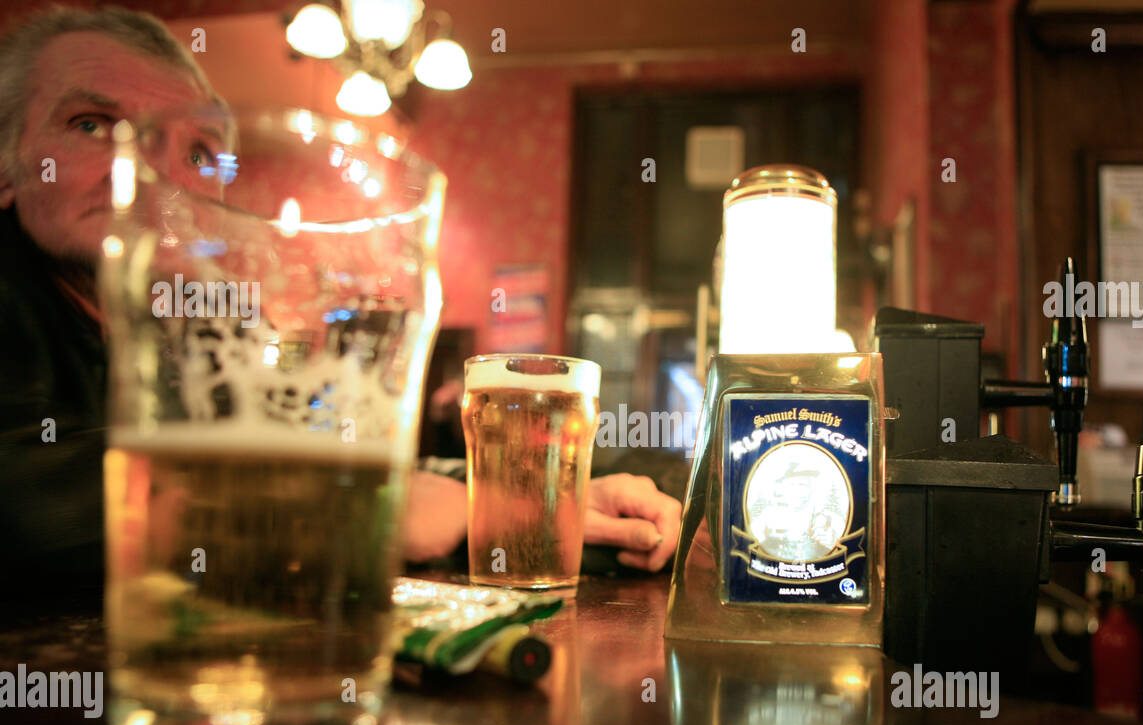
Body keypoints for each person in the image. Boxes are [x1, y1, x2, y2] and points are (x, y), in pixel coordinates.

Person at [0, 5, 680, 606]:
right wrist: (366, 505)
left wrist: (527, 505)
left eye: (200, 153)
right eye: (92, 125)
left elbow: (324, 444)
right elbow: (27, 503)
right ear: (9, 164)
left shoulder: (212, 323)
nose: (160, 176)